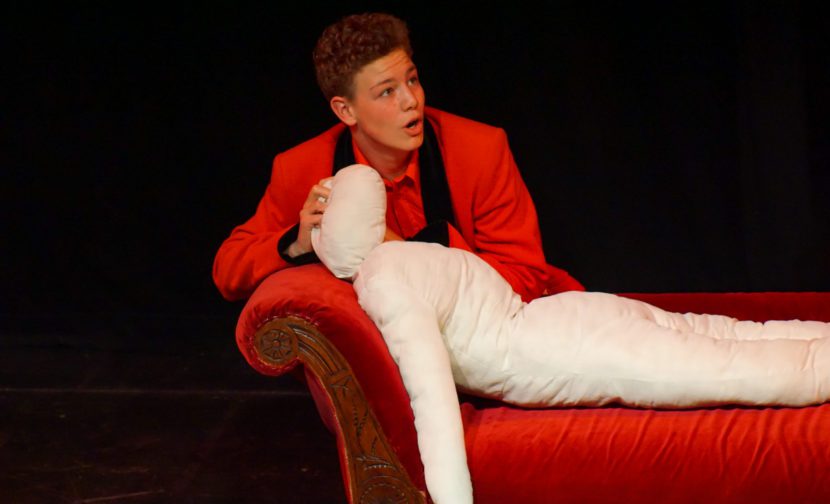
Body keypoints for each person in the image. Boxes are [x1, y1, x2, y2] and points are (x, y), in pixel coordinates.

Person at [315, 163, 830, 504]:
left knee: (722, 367)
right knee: (726, 335)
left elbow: (431, 399)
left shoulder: (386, 281)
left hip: (560, 349)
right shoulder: (409, 256)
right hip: (569, 318)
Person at [212, 12, 582, 303]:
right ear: (345, 111)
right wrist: (297, 242)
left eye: (412, 80)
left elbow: (526, 279)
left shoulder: (480, 149)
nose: (411, 100)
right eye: (387, 91)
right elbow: (227, 272)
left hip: (500, 324)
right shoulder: (300, 167)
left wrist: (400, 251)